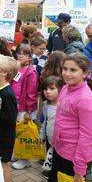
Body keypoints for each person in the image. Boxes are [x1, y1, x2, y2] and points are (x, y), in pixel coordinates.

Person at [48, 53, 92, 182]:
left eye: (73, 70)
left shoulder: (85, 99)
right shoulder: (65, 88)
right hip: (59, 150)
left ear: (84, 73)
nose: (67, 73)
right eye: (65, 69)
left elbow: (87, 136)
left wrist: (79, 169)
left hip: (71, 157)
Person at [0, 55, 19, 182]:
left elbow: (12, 118)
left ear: (4, 72)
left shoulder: (8, 94)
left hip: (6, 135)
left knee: (4, 164)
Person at [11, 44, 39, 170]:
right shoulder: (17, 68)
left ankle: (25, 159)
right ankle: (17, 153)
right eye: (19, 53)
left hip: (24, 108)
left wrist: (29, 111)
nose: (21, 55)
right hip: (15, 106)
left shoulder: (31, 71)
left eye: (25, 54)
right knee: (16, 132)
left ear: (30, 57)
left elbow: (31, 93)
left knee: (24, 133)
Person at [39, 76, 65, 179]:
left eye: (52, 88)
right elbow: (45, 121)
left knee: (59, 161)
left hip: (60, 141)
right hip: (49, 138)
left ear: (61, 89)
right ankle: (51, 172)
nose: (48, 92)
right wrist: (42, 135)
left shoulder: (63, 105)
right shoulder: (45, 104)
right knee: (51, 157)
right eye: (45, 89)